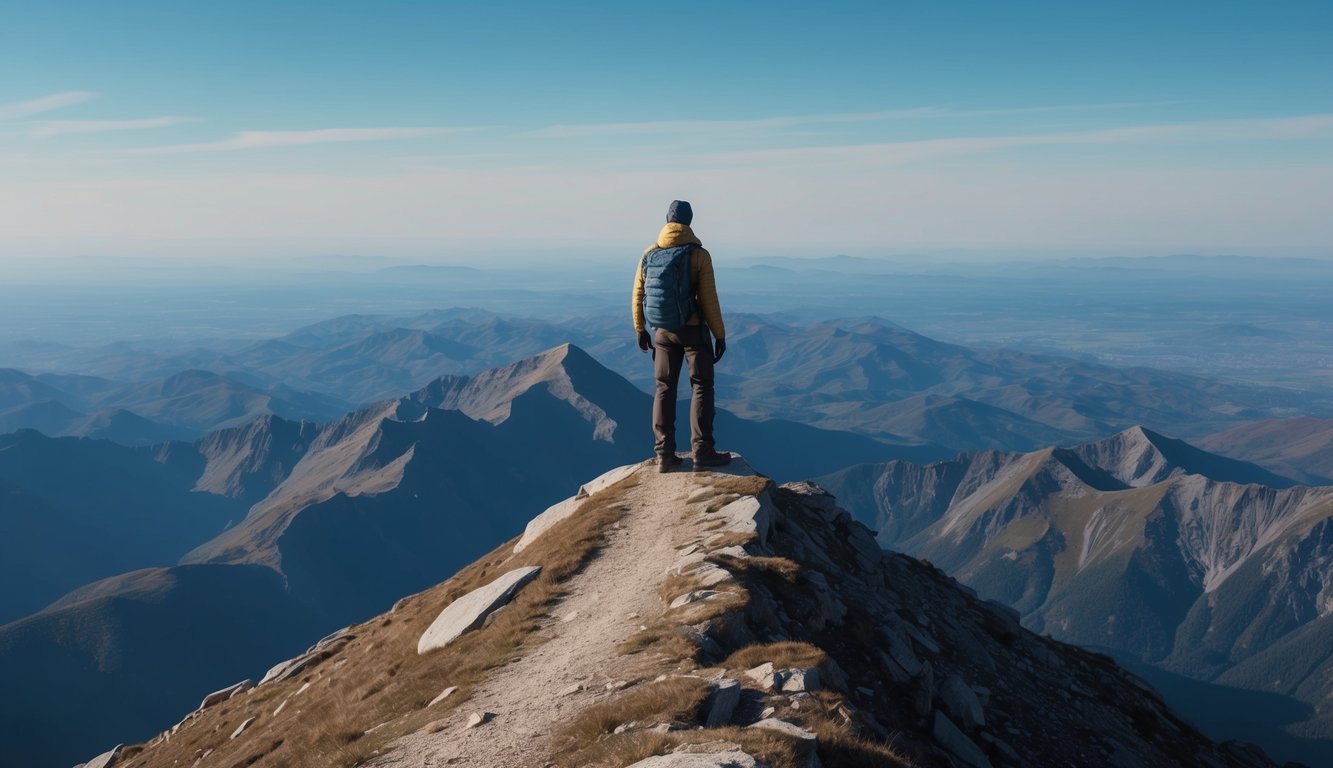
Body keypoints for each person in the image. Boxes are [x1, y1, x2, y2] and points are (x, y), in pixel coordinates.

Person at [632, 200, 731, 472]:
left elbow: (638, 294)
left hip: (662, 332)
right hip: (693, 330)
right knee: (701, 386)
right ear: (689, 222)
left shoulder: (649, 253)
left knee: (664, 388)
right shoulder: (699, 255)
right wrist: (719, 335)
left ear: (666, 220)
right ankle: (703, 452)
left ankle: (664, 454)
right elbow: (709, 299)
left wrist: (640, 328)